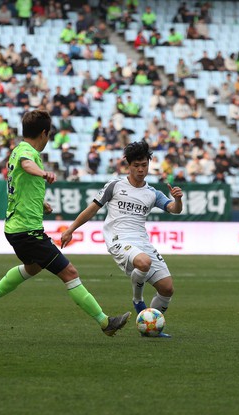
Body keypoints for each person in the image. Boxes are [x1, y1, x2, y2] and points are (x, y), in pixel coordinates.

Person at [0, 110, 130, 337]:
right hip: (27, 231)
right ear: (44, 133)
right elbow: (27, 166)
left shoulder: (17, 149)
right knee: (69, 272)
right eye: (49, 135)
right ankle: (106, 322)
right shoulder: (27, 153)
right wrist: (43, 173)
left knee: (33, 268)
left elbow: (22, 182)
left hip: (16, 228)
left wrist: (41, 203)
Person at [61, 140, 183, 338]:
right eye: (136, 166)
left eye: (144, 165)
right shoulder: (115, 185)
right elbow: (92, 209)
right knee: (144, 262)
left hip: (142, 242)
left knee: (167, 288)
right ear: (128, 164)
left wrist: (177, 199)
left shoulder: (152, 193)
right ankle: (138, 300)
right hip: (118, 240)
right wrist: (70, 229)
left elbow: (174, 210)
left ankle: (150, 328)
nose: (141, 170)